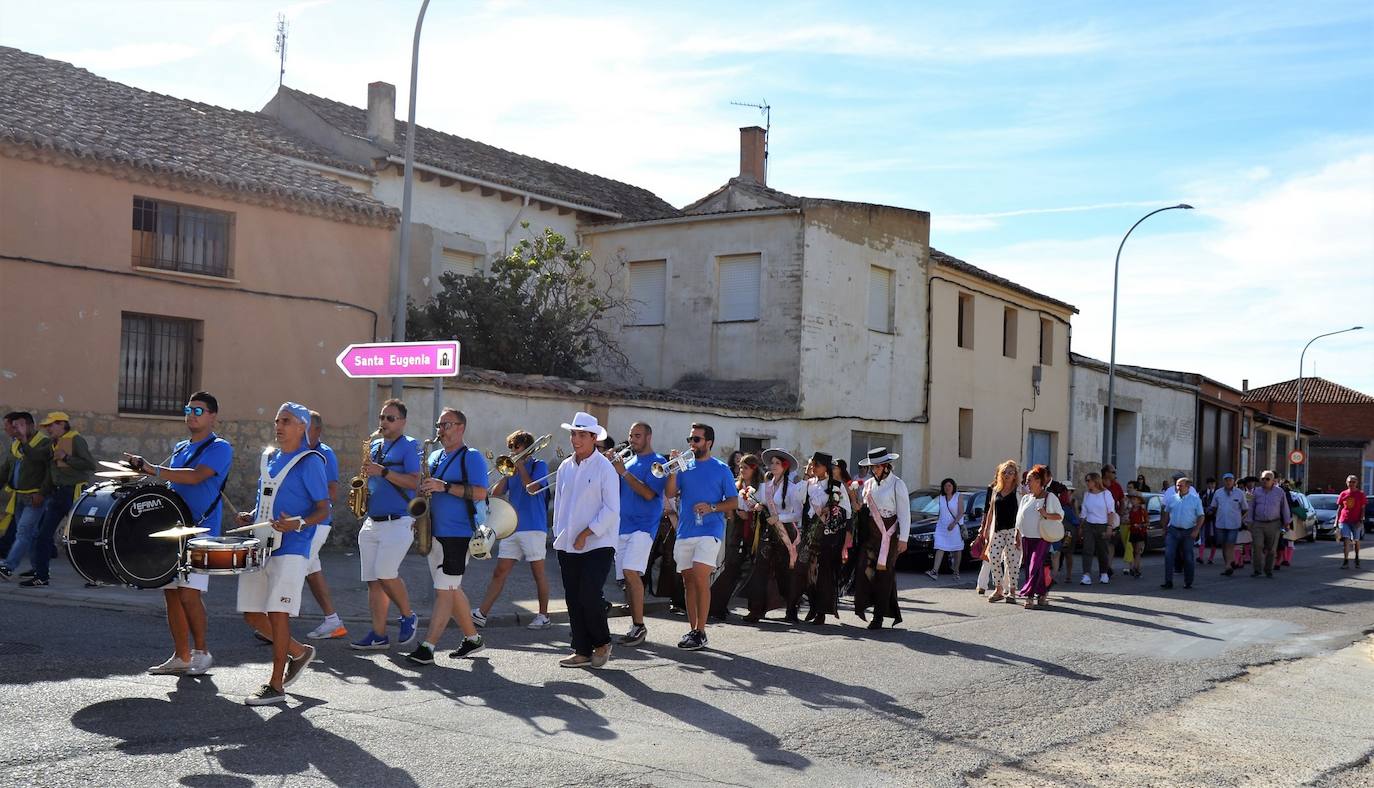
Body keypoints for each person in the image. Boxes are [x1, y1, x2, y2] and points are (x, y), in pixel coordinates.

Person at [127, 393, 233, 674]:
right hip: (174, 530)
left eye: (199, 410)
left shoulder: (220, 447)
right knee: (172, 594)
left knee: (189, 594)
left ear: (213, 416)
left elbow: (197, 475)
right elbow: (173, 484)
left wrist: (155, 469)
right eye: (188, 409)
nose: (192, 414)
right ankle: (181, 655)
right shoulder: (180, 447)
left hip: (201, 531)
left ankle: (202, 651)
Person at [234, 402, 329, 705]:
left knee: (277, 612)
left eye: (286, 421)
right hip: (262, 543)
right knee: (252, 614)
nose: (279, 426)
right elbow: (268, 500)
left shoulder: (311, 461)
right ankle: (299, 652)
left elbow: (324, 508)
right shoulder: (271, 460)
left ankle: (275, 685)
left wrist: (298, 523)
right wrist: (251, 516)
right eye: (277, 421)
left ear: (302, 426)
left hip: (294, 547)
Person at [406, 408, 488, 665]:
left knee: (444, 590)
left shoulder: (471, 457)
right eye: (439, 425)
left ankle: (428, 647)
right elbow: (425, 489)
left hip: (458, 533)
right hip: (433, 531)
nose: (440, 430)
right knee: (451, 589)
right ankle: (473, 639)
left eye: (446, 425)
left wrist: (445, 487)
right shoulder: (435, 457)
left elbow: (481, 493)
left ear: (461, 427)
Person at [351, 398, 421, 651]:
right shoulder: (375, 445)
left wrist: (384, 472)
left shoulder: (410, 446)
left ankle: (408, 615)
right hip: (372, 522)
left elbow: (415, 482)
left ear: (402, 422)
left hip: (399, 520)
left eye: (390, 418)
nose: (384, 422)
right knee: (373, 580)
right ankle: (378, 634)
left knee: (385, 572)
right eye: (382, 417)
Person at [551, 412, 619, 668]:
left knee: (590, 594)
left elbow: (611, 509)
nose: (575, 440)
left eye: (581, 435)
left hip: (599, 543)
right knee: (573, 597)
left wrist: (586, 533)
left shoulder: (605, 468)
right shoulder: (565, 466)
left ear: (593, 438)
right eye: (573, 434)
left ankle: (602, 642)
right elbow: (560, 505)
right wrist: (561, 535)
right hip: (568, 543)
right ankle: (581, 649)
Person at [663, 423, 738, 650]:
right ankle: (693, 629)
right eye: (690, 439)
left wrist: (712, 507)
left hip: (710, 530)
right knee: (688, 581)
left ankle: (701, 631)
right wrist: (674, 469)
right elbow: (669, 493)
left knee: (699, 576)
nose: (691, 444)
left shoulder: (722, 469)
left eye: (696, 440)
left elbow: (733, 502)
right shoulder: (684, 467)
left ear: (709, 443)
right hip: (685, 530)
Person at [473, 430, 552, 630]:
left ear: (527, 448)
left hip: (534, 527)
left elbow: (533, 489)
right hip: (512, 527)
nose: (513, 450)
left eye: (516, 447)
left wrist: (521, 468)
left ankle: (544, 615)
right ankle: (481, 614)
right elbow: (496, 493)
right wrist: (506, 473)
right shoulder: (512, 469)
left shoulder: (538, 465)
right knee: (499, 572)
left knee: (538, 573)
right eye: (511, 447)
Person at [608, 422, 666, 645]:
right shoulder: (629, 460)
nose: (632, 439)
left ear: (648, 437)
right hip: (622, 525)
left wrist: (623, 472)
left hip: (644, 526)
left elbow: (649, 494)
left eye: (637, 435)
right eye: (631, 435)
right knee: (626, 578)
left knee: (632, 572)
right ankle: (635, 625)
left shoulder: (657, 462)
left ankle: (640, 625)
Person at [21, 411, 94, 587]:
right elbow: (36, 456)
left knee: (83, 537)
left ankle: (95, 576)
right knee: (43, 536)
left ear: (63, 424)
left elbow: (90, 465)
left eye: (51, 425)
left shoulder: (75, 439)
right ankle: (41, 576)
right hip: (58, 494)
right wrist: (23, 439)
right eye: (46, 426)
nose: (48, 429)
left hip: (74, 493)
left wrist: (67, 457)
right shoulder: (53, 443)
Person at [853, 448, 910, 630]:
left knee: (884, 575)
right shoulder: (868, 484)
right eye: (873, 467)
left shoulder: (897, 484)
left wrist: (904, 538)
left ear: (886, 466)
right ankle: (863, 604)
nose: (875, 470)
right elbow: (865, 509)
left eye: (877, 467)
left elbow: (904, 513)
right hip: (871, 533)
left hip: (889, 535)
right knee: (863, 568)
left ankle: (878, 615)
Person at [303, 411, 346, 640]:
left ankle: (274, 621)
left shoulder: (324, 454)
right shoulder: (298, 451)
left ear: (317, 431)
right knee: (311, 570)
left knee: (298, 567)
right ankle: (332, 620)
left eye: (306, 427)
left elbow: (332, 493)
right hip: (303, 522)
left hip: (317, 522)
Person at [741, 451, 799, 622]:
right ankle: (756, 610)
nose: (772, 466)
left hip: (786, 531)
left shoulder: (794, 489)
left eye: (777, 463)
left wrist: (779, 518)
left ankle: (791, 608)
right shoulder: (765, 486)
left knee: (785, 572)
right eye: (771, 463)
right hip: (768, 531)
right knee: (760, 569)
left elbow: (797, 514)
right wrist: (756, 504)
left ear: (785, 466)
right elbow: (754, 502)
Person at [0, 412, 51, 582]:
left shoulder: (44, 443)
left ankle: (8, 567)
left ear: (30, 425)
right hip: (19, 497)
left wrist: (42, 493)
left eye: (19, 426)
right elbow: (7, 469)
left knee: (23, 533)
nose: (15, 430)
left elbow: (49, 472)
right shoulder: (15, 444)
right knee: (33, 535)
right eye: (14, 427)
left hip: (34, 497)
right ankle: (39, 569)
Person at [802, 452, 851, 625]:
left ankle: (822, 611)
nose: (813, 468)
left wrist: (830, 511)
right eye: (812, 464)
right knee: (809, 572)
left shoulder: (836, 485)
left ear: (825, 467)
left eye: (817, 465)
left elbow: (847, 511)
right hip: (812, 530)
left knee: (823, 573)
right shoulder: (809, 484)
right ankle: (813, 606)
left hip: (829, 533)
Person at [720, 454, 765, 620]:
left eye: (745, 468)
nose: (741, 470)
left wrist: (751, 515)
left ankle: (755, 609)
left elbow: (765, 509)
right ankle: (718, 605)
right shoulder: (736, 486)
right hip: (736, 531)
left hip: (754, 532)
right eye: (740, 467)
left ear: (753, 469)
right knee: (731, 566)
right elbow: (728, 503)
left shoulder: (761, 487)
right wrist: (731, 511)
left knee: (754, 570)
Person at [1016, 465, 1063, 609]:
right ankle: (1042, 594)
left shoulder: (1050, 497)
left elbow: (1060, 515)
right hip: (1026, 538)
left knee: (1034, 565)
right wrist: (1016, 535)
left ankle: (1029, 596)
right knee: (1033, 567)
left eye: (1029, 480)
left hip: (1042, 538)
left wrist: (1045, 514)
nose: (1026, 484)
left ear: (1038, 481)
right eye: (1026, 481)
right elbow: (1019, 519)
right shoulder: (1026, 499)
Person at [981, 460, 1021, 602]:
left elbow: (1022, 513)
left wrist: (1020, 534)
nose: (1007, 475)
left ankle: (1012, 591)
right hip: (997, 530)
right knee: (994, 557)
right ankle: (998, 589)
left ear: (1015, 475)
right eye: (1004, 472)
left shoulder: (1019, 491)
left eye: (1011, 472)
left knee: (1012, 561)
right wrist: (986, 529)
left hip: (1012, 530)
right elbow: (991, 510)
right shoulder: (996, 490)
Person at [1160, 476, 1204, 590]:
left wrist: (1196, 530)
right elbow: (1166, 513)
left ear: (1188, 486)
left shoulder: (1195, 500)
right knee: (1169, 555)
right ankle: (1168, 581)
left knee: (1188, 557)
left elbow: (1201, 516)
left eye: (1181, 485)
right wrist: (1164, 528)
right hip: (1173, 530)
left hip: (1188, 531)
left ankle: (1188, 581)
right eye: (1177, 485)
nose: (1178, 487)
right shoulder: (1172, 499)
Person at [1245, 470, 1291, 579]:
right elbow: (1251, 507)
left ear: (1273, 481)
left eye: (1267, 479)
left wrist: (1286, 522)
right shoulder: (1256, 492)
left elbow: (1284, 507)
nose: (1264, 481)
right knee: (1257, 546)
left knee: (1271, 549)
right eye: (1263, 479)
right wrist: (1249, 522)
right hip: (1258, 524)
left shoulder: (1279, 492)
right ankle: (1257, 570)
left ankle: (1268, 570)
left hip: (1274, 524)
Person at [1078, 472, 1115, 586]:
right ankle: (1086, 575)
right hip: (1089, 524)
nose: (1087, 483)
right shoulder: (1087, 495)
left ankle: (1104, 573)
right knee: (1087, 550)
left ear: (1095, 481)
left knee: (1102, 551)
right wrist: (1081, 526)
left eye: (1089, 480)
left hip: (1102, 525)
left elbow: (1110, 511)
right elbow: (1083, 512)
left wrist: (1109, 527)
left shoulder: (1106, 494)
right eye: (1086, 480)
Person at [1208, 473, 1248, 576]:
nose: (1228, 482)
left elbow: (1245, 509)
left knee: (1230, 544)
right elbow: (1213, 506)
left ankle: (1228, 566)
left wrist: (1240, 518)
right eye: (1226, 480)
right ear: (1223, 481)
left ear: (1234, 481)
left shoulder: (1239, 493)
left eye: (1230, 480)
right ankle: (1229, 563)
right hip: (1220, 523)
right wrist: (1210, 511)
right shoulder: (1218, 492)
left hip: (1234, 524)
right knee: (1224, 545)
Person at [928, 477, 963, 581]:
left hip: (954, 527)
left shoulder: (958, 496)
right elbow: (939, 512)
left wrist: (953, 523)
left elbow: (961, 512)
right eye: (945, 486)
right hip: (942, 527)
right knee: (940, 547)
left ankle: (956, 572)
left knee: (957, 550)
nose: (947, 488)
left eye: (949, 486)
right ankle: (934, 571)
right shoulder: (941, 497)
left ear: (953, 487)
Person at [1336, 475, 1366, 570]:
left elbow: (1363, 509)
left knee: (1355, 541)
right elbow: (1339, 508)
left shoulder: (1361, 494)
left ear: (1356, 483)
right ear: (1346, 482)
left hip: (1356, 521)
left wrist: (1360, 521)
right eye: (1350, 482)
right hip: (1344, 520)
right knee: (1346, 540)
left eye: (1353, 482)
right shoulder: (1343, 494)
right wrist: (1336, 522)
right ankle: (1345, 560)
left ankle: (1357, 557)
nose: (1351, 484)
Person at [1198, 477, 1219, 565]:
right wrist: (1204, 509)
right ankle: (1200, 557)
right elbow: (1198, 504)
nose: (1211, 485)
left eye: (1213, 483)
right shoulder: (1202, 493)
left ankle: (1211, 558)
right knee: (1203, 537)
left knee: (1213, 538)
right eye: (1210, 483)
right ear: (1207, 484)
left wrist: (1212, 510)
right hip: (1204, 517)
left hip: (1214, 518)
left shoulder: (1218, 493)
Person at [1127, 493, 1148, 577]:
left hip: (1140, 533)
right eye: (1132, 499)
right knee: (1133, 551)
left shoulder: (1142, 511)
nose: (1132, 501)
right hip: (1133, 532)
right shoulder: (1130, 510)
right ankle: (1134, 567)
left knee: (1137, 551)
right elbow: (1129, 521)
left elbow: (1147, 523)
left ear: (1139, 501)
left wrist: (1140, 525)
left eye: (1134, 499)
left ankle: (1136, 568)